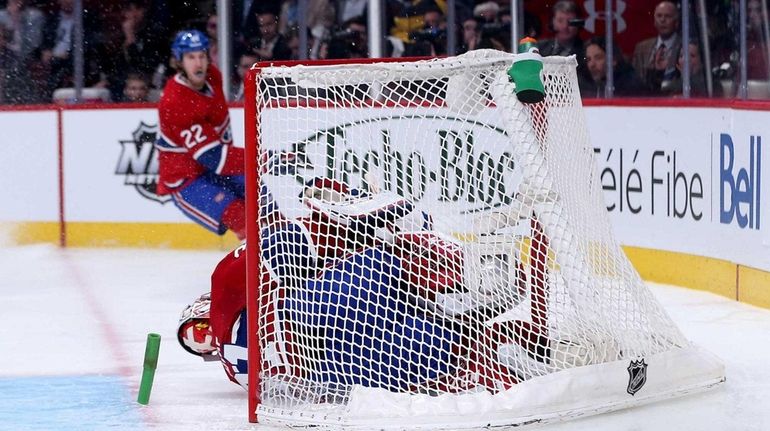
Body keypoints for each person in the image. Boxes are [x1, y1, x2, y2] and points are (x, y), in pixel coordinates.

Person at [177, 178, 555, 395]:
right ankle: (485, 315)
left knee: (428, 341)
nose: (201, 338)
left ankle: (486, 330)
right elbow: (279, 245)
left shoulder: (236, 363)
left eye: (195, 329)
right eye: (194, 339)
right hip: (320, 340)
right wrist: (344, 220)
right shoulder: (228, 294)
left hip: (324, 352)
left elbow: (279, 249)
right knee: (422, 321)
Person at [154, 30, 246, 240]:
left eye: (202, 56)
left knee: (264, 202)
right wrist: (262, 158)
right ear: (179, 62)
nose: (198, 63)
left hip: (215, 167)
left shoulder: (213, 76)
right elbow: (214, 158)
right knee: (241, 217)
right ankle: (259, 270)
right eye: (191, 57)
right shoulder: (175, 102)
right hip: (188, 179)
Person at [631, 1, 681, 96]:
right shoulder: (641, 48)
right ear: (654, 21)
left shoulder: (685, 46)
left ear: (676, 22)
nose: (662, 20)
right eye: (659, 16)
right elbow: (634, 79)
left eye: (668, 16)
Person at [580, 37, 646, 98]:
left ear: (613, 60)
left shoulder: (630, 85)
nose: (592, 65)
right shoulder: (586, 84)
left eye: (598, 58)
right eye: (588, 59)